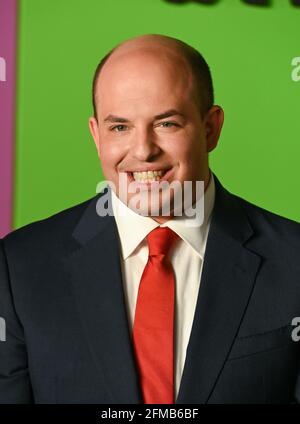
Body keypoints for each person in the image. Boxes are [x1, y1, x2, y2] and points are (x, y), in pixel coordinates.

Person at [1, 34, 300, 404]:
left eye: (167, 124)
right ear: (96, 135)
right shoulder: (19, 266)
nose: (143, 150)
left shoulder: (293, 260)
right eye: (120, 127)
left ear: (211, 128)